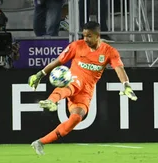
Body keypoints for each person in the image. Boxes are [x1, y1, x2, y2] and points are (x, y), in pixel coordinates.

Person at [27, 21, 137, 155]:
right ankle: (51, 101)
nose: (85, 39)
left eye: (89, 36)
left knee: (76, 118)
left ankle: (40, 142)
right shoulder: (76, 46)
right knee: (72, 84)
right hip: (74, 80)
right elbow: (58, 61)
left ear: (98, 36)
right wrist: (40, 74)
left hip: (86, 92)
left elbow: (119, 69)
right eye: (84, 35)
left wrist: (126, 85)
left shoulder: (109, 52)